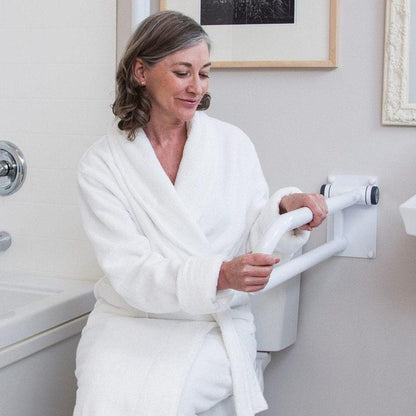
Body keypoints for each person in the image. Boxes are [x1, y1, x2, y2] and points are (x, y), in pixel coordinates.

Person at [73, 10, 327, 416]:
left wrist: (283, 209)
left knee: (163, 402)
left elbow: (252, 237)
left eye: (204, 73)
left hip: (210, 322)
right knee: (101, 400)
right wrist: (219, 274)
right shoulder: (102, 164)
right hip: (129, 319)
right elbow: (131, 271)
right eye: (182, 72)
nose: (196, 87)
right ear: (141, 71)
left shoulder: (231, 144)